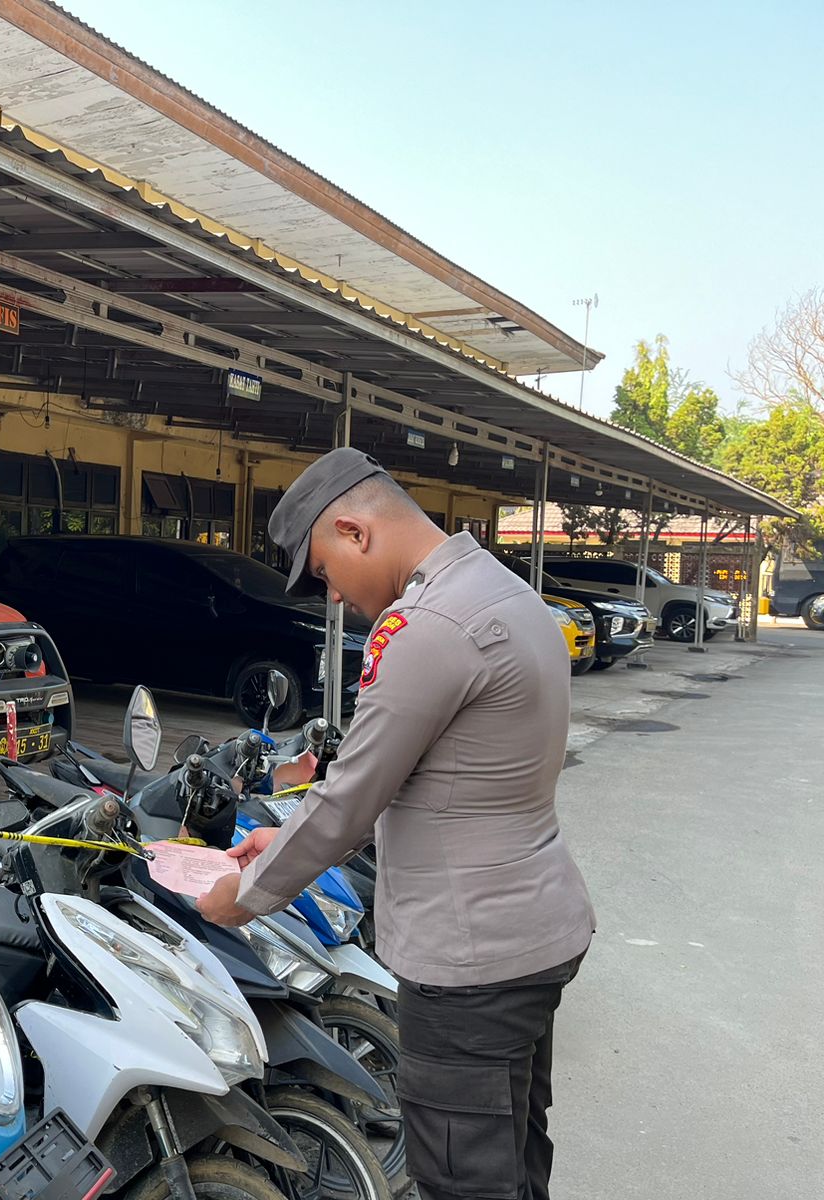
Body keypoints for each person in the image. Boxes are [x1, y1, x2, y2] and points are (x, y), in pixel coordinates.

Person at [198, 447, 594, 1200]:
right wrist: (284, 835)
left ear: (355, 531)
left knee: (461, 1178)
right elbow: (453, 787)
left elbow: (351, 793)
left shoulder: (428, 625)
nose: (335, 596)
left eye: (324, 572)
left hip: (469, 962)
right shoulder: (502, 590)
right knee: (515, 1152)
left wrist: (245, 895)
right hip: (535, 930)